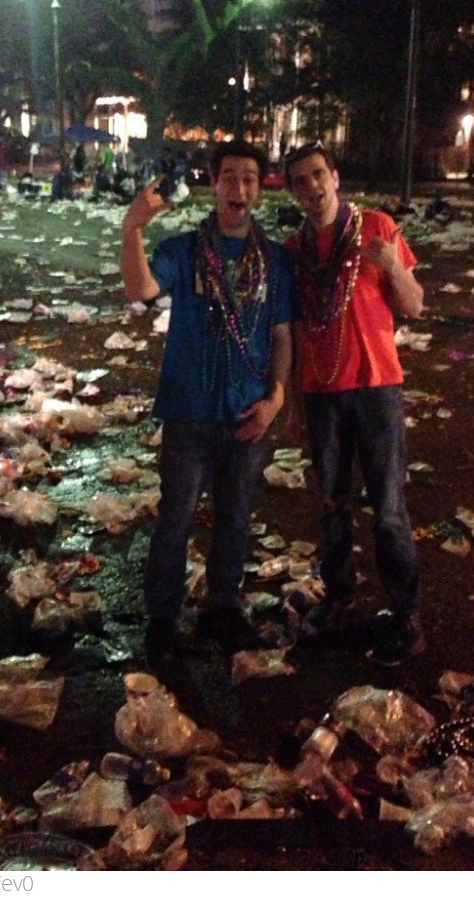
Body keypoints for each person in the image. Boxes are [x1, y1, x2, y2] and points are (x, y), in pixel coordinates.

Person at [120, 139, 295, 663]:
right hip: (190, 411)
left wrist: (277, 397)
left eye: (249, 178)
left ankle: (222, 607)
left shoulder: (276, 260)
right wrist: (132, 228)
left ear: (259, 189)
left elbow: (283, 333)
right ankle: (162, 618)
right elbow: (142, 290)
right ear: (214, 185)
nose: (238, 188)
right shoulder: (185, 249)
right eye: (229, 177)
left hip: (248, 412)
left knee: (236, 516)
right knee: (175, 517)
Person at [284, 141, 425, 666]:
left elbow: (413, 305)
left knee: (388, 511)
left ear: (335, 177)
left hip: (376, 389)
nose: (313, 186)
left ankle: (406, 614)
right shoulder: (294, 251)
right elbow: (297, 332)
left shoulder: (378, 227)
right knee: (332, 507)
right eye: (301, 180)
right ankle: (340, 599)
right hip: (322, 396)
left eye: (319, 175)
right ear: (295, 191)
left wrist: (392, 266)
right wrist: (297, 405)